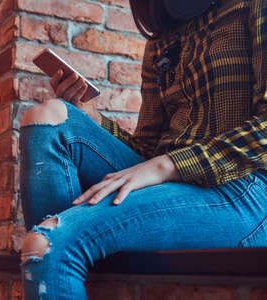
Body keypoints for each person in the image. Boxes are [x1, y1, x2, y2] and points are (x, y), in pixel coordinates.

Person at [18, 0, 267, 298]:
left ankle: (59, 249)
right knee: (47, 117)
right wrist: (91, 115)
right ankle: (63, 256)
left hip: (244, 189)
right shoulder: (162, 41)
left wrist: (166, 165)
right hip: (171, 181)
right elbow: (147, 148)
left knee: (46, 246)